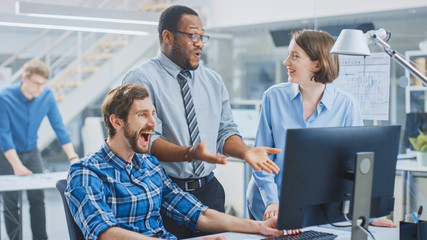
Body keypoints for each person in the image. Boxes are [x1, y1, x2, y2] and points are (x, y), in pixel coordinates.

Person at [122, 5, 281, 238]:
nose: (200, 43)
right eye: (192, 36)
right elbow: (145, 142)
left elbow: (225, 132)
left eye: (202, 36)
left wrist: (246, 153)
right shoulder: (141, 78)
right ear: (167, 36)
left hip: (210, 192)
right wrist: (190, 153)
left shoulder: (213, 81)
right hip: (163, 193)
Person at [65, 84, 284, 240]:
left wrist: (258, 227)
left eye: (153, 114)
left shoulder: (150, 166)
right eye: (142, 115)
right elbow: (105, 233)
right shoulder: (87, 172)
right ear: (117, 122)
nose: (153, 122)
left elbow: (197, 213)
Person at [246, 29, 396, 228]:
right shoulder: (273, 97)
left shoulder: (346, 105)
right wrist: (272, 201)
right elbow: (261, 158)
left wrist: (367, 213)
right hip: (269, 205)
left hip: (317, 211)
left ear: (317, 64)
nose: (286, 62)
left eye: (295, 56)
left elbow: (358, 165)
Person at [0, 59, 79, 240]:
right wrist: (17, 166)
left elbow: (59, 128)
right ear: (24, 78)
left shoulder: (47, 95)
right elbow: (3, 135)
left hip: (32, 151)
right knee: (11, 202)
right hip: (7, 155)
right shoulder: (4, 97)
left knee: (37, 199)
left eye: (43, 84)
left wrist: (73, 158)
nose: (39, 88)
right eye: (36, 84)